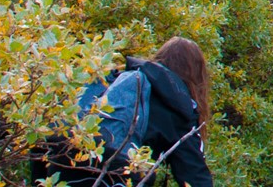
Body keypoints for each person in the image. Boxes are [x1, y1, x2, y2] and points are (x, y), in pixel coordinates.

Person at [33, 37, 214, 187]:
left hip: (65, 160)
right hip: (116, 174)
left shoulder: (117, 80)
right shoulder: (178, 104)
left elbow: (46, 141)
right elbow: (194, 176)